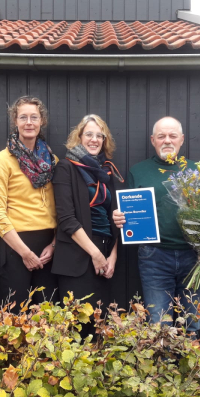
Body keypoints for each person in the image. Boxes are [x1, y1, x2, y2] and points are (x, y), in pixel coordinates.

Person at [113, 117, 200, 333]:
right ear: (153, 140)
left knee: (192, 325)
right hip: (154, 258)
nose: (167, 140)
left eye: (172, 136)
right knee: (159, 326)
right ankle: (163, 366)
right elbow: (127, 212)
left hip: (195, 256)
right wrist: (120, 217)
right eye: (161, 136)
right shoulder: (138, 172)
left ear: (182, 139)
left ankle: (189, 367)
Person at [52, 115, 123, 332]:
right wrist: (95, 254)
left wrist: (112, 255)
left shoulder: (107, 171)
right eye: (89, 134)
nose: (94, 139)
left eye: (99, 135)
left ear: (104, 140)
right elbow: (66, 219)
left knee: (101, 330)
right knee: (78, 332)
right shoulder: (65, 167)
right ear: (79, 137)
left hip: (104, 256)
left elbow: (114, 218)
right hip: (78, 257)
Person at [0, 96, 59, 310]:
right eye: (23, 117)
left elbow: (60, 209)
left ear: (41, 122)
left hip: (48, 249)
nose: (29, 122)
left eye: (34, 117)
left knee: (48, 316)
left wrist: (54, 244)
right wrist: (24, 253)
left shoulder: (52, 161)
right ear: (15, 122)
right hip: (14, 247)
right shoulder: (2, 160)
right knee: (14, 317)